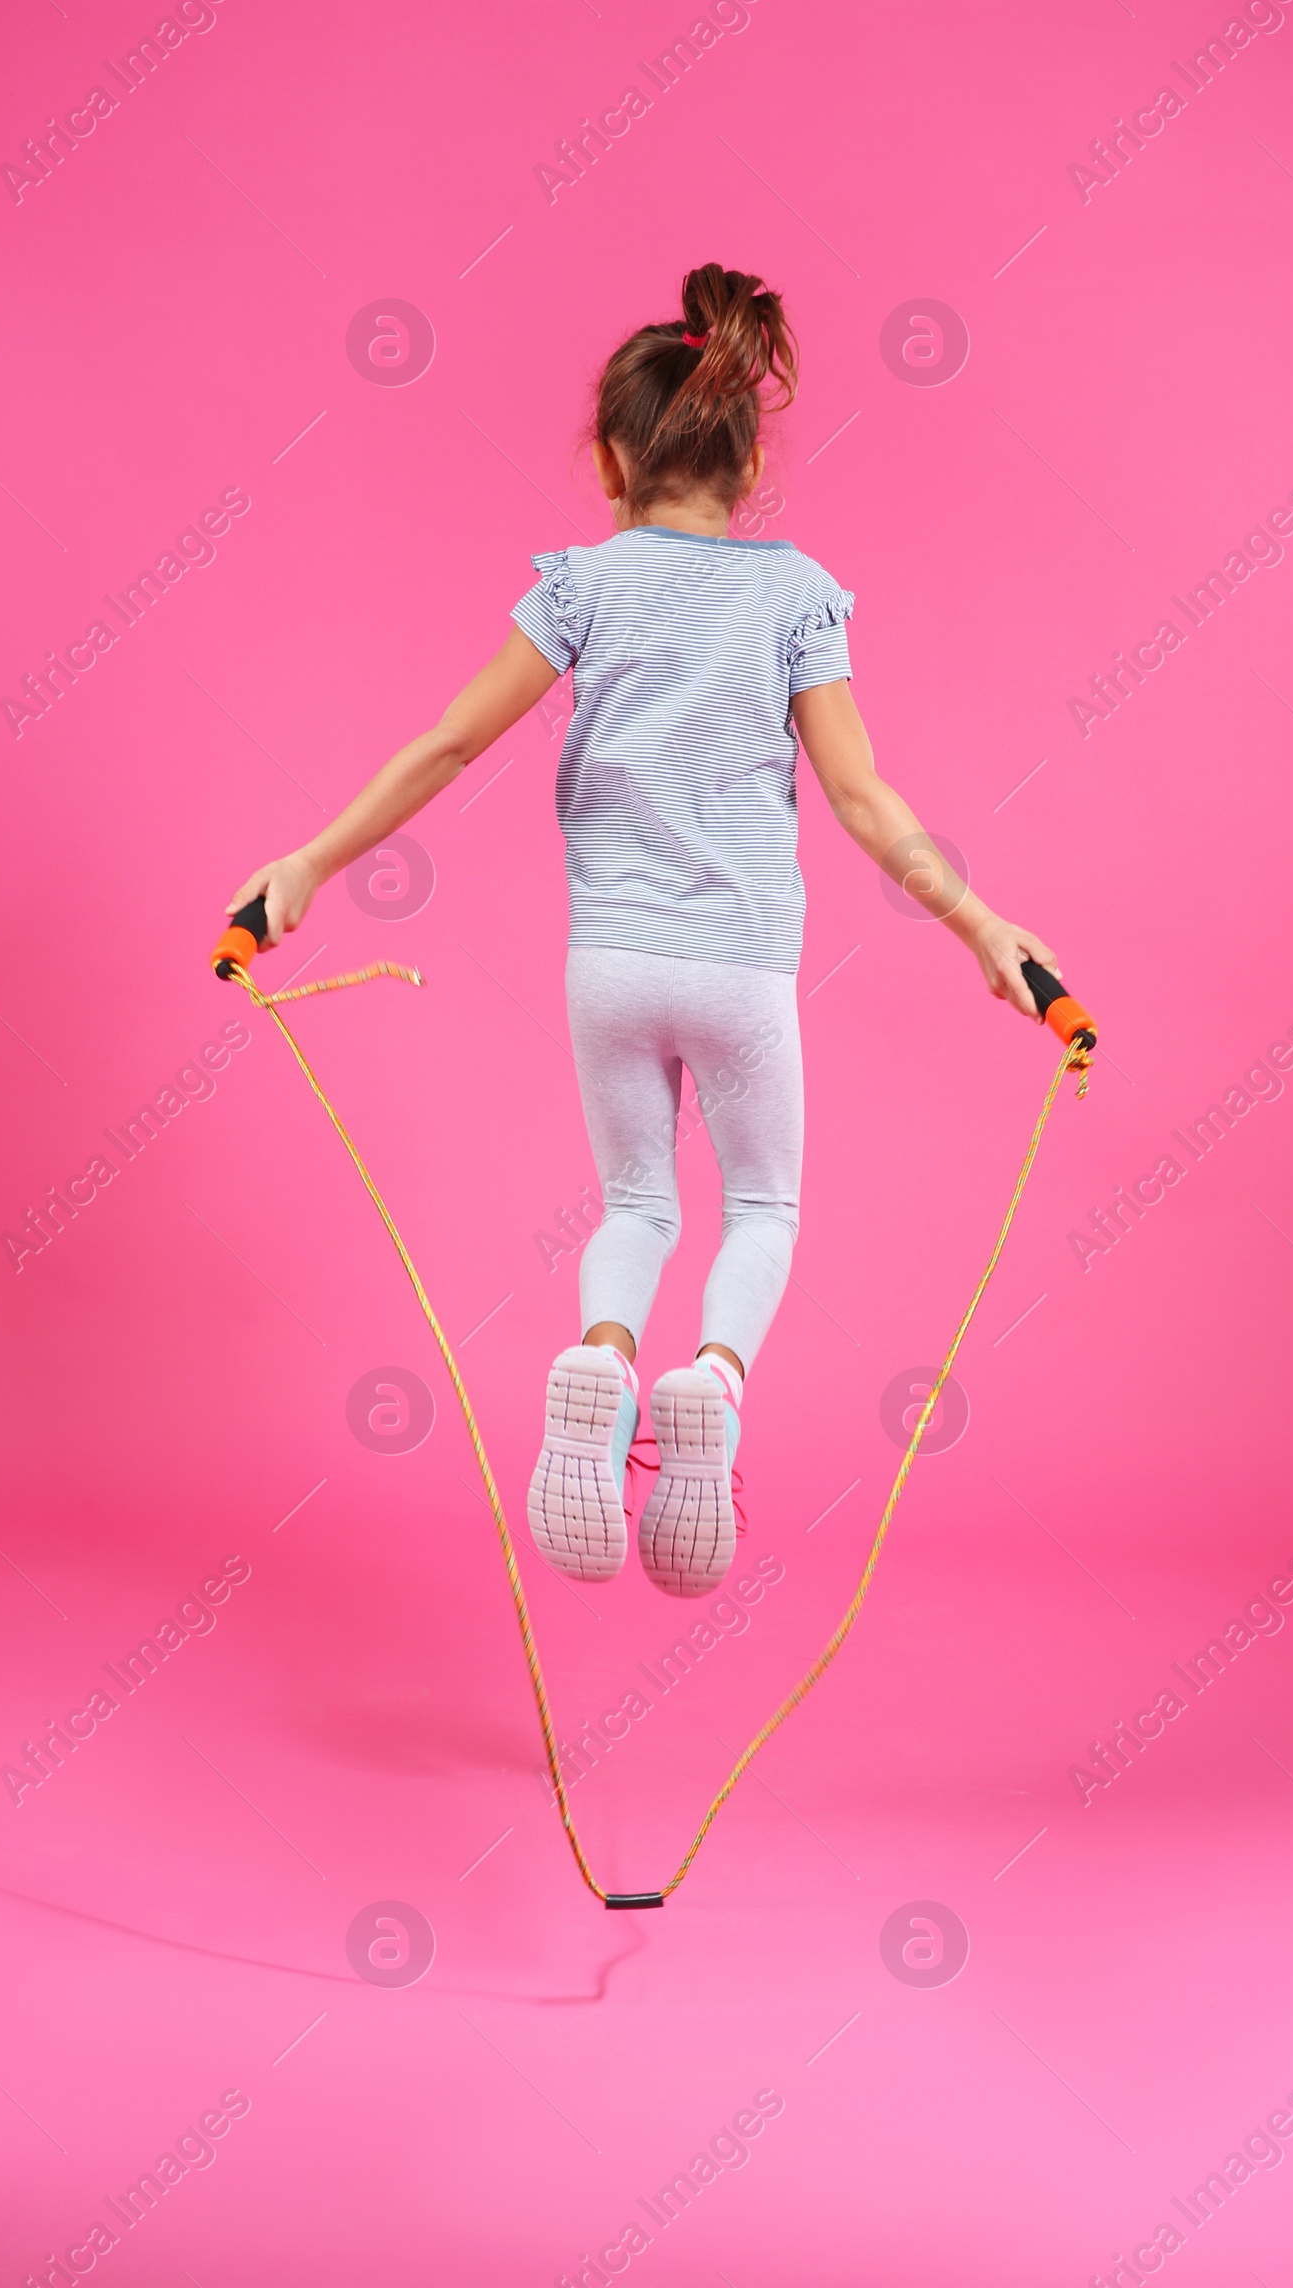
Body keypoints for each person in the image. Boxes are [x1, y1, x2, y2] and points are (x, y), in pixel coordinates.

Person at [224, 261, 1059, 1603]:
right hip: (740, 972)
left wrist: (310, 865)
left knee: (633, 1203)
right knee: (766, 1208)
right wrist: (982, 928)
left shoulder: (579, 586)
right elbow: (860, 796)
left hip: (606, 966)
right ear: (750, 457)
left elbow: (446, 745)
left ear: (613, 457)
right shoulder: (796, 596)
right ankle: (709, 1385)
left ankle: (603, 1361)